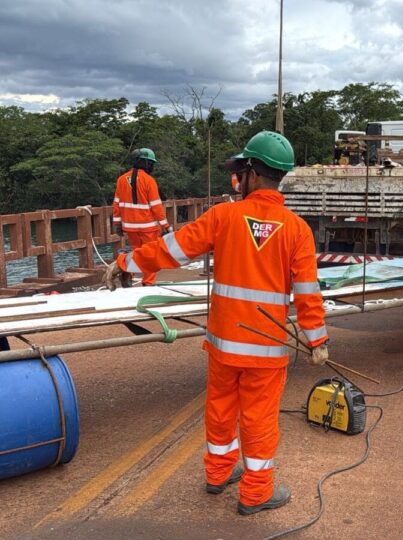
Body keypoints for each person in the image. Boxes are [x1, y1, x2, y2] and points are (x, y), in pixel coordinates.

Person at [104, 131, 329, 515]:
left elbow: (172, 250)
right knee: (259, 419)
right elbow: (308, 294)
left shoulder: (223, 216)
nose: (238, 178)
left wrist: (126, 262)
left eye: (241, 172)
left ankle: (219, 473)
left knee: (221, 409)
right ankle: (256, 493)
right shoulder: (297, 229)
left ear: (253, 174)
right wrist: (317, 341)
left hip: (224, 343)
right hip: (266, 349)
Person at [112, 148, 172, 286]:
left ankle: (128, 274)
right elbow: (156, 207)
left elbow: (116, 204)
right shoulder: (149, 180)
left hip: (130, 227)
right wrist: (166, 226)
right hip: (148, 227)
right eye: (151, 163)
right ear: (146, 163)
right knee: (150, 254)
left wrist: (117, 224)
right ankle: (148, 282)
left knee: (136, 252)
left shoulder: (121, 180)